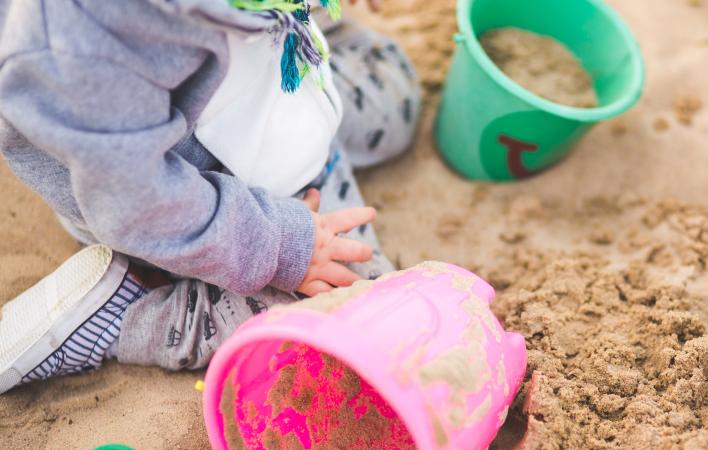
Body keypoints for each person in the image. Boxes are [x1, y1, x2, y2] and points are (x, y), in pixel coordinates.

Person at [0, 0, 420, 393]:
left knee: (395, 98)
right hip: (204, 208)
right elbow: (141, 207)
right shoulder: (80, 42)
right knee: (359, 311)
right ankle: (129, 316)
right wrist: (281, 246)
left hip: (274, 84)